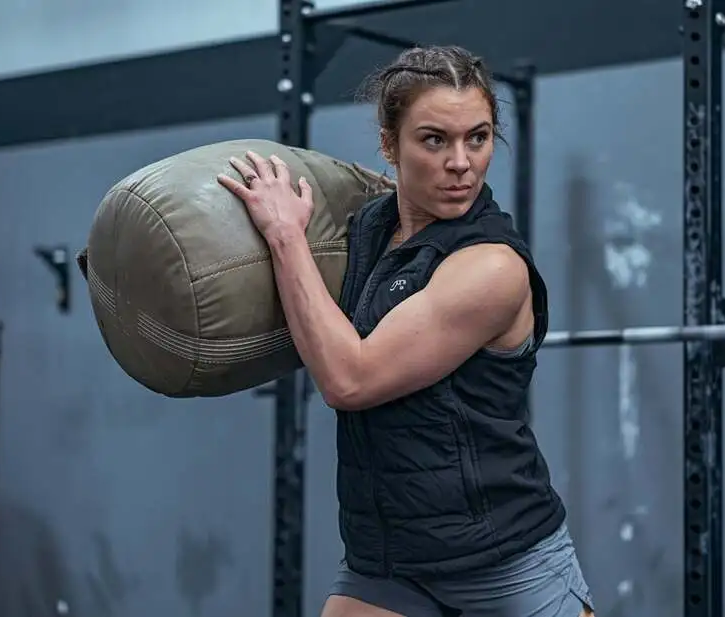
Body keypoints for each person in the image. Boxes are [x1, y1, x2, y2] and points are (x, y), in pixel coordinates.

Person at [217, 45, 595, 617]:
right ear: (390, 144)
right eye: (434, 139)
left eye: (479, 136)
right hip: (389, 560)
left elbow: (349, 378)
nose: (461, 162)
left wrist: (285, 237)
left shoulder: (491, 267)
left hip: (507, 567)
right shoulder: (370, 228)